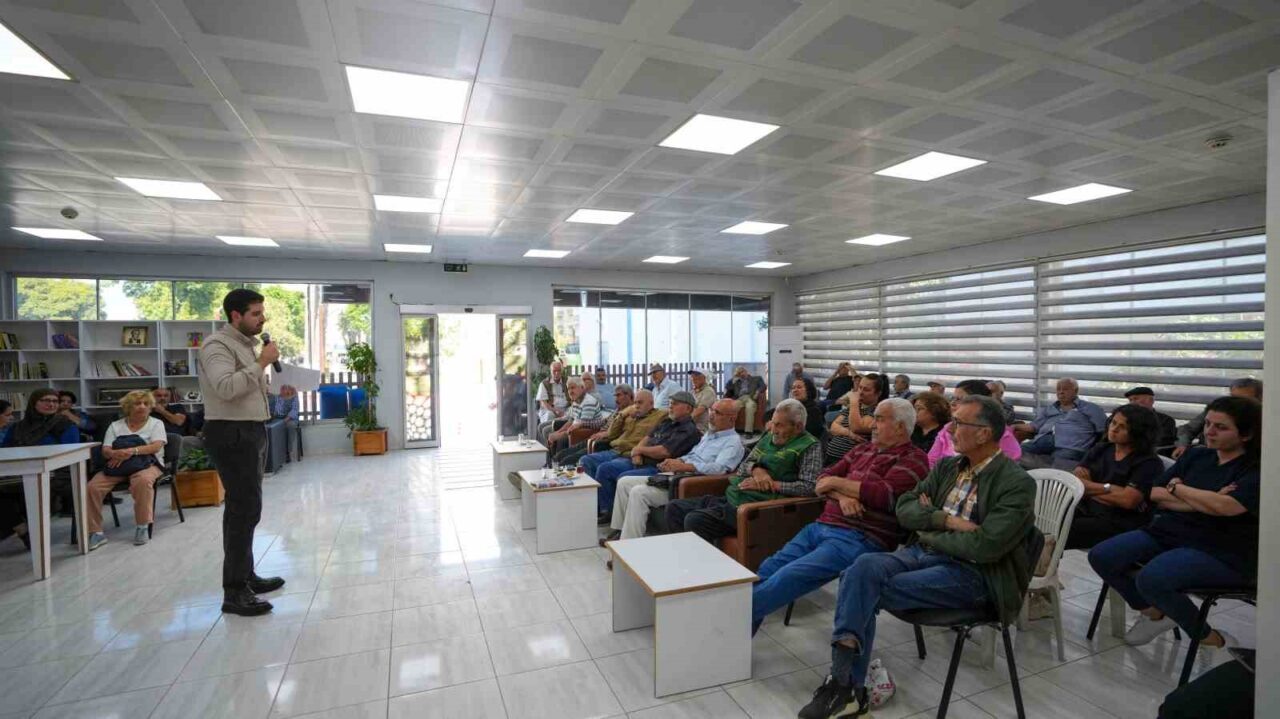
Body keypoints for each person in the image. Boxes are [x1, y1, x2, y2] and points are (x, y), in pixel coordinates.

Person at [799, 395, 1038, 719]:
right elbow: (906, 508)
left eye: (959, 424)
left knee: (860, 587)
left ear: (983, 433)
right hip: (923, 552)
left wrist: (927, 523)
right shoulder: (948, 467)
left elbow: (986, 546)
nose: (950, 430)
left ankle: (844, 686)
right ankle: (847, 688)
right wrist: (944, 521)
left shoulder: (1016, 483)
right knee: (861, 569)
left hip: (975, 575)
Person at [1089, 395, 1260, 650]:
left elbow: (1228, 508)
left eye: (1221, 427)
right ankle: (1155, 614)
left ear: (1245, 435)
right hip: (1170, 531)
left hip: (1221, 547)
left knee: (1153, 578)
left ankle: (1212, 640)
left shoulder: (1256, 468)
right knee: (1102, 555)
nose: (1209, 432)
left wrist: (1179, 488)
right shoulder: (1198, 456)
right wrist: (1206, 499)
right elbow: (1155, 493)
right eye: (1208, 424)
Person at [750, 398, 928, 632]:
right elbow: (820, 480)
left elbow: (885, 495)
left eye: (879, 419)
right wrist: (843, 496)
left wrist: (835, 482)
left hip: (861, 537)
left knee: (788, 577)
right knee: (767, 569)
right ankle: (732, 647)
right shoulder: (863, 449)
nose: (872, 425)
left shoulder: (914, 459)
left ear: (900, 427)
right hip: (821, 526)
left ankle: (721, 621)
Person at [197, 289, 285, 617]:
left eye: (262, 313)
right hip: (230, 432)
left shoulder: (246, 345)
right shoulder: (216, 346)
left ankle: (246, 576)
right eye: (255, 313)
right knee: (241, 511)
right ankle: (234, 592)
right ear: (235, 315)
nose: (262, 319)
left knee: (249, 509)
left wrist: (273, 379)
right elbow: (226, 387)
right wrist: (262, 362)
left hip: (251, 429)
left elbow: (250, 387)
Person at [666, 398, 821, 545]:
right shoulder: (769, 437)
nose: (773, 430)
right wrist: (757, 470)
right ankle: (684, 562)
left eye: (780, 425)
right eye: (773, 423)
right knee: (674, 508)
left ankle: (706, 571)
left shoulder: (809, 446)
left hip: (759, 507)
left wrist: (772, 484)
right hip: (734, 496)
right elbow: (743, 467)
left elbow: (809, 487)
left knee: (695, 520)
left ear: (798, 427)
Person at [606, 398, 743, 542]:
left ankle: (629, 544)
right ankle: (619, 531)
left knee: (639, 493)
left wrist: (686, 466)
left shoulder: (733, 442)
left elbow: (720, 469)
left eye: (717, 412)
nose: (711, 415)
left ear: (731, 418)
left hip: (691, 482)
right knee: (624, 482)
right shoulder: (710, 435)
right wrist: (677, 461)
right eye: (711, 410)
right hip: (678, 474)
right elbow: (692, 454)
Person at [592, 391, 701, 524]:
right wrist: (637, 452)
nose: (670, 407)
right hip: (641, 459)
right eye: (670, 403)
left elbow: (664, 452)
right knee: (605, 469)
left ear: (688, 409)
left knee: (624, 478)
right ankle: (607, 512)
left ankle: (622, 526)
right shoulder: (667, 421)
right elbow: (647, 437)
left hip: (657, 467)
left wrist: (638, 450)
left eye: (675, 404)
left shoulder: (688, 429)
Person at [1065, 404, 1164, 550]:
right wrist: (1109, 488)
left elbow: (1127, 501)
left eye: (1122, 427)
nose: (1114, 429)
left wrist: (1088, 487)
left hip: (1120, 522)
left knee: (1065, 529)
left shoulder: (1149, 462)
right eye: (1113, 422)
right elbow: (1075, 482)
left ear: (1138, 432)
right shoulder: (1101, 449)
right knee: (1048, 515)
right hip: (1087, 510)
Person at [84, 390, 166, 550]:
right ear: (128, 407)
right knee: (93, 487)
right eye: (137, 403)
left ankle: (142, 526)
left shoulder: (156, 423)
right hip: (117, 465)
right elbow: (105, 449)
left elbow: (156, 446)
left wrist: (130, 451)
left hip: (148, 463)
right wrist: (114, 453)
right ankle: (95, 532)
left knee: (142, 481)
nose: (142, 406)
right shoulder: (115, 426)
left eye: (146, 404)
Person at [0, 390, 81, 547]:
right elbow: (5, 452)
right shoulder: (17, 427)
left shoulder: (65, 425)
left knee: (35, 486)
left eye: (54, 401)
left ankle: (33, 533)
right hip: (18, 472)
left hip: (55, 473)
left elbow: (72, 455)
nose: (51, 404)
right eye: (45, 400)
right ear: (33, 403)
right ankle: (22, 529)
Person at [579, 389, 664, 514]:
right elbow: (612, 434)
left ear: (651, 404)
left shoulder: (660, 416)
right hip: (615, 451)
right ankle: (593, 504)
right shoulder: (630, 415)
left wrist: (639, 451)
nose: (636, 406)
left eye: (640, 403)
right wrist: (624, 414)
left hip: (629, 455)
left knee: (605, 469)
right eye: (635, 402)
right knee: (585, 460)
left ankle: (606, 510)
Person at [1013, 377, 1107, 470]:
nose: (1061, 392)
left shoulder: (1091, 408)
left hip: (1070, 446)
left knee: (1056, 468)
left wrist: (1095, 452)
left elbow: (1104, 430)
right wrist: (1013, 426)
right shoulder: (1050, 408)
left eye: (1065, 389)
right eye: (1058, 389)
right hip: (1042, 441)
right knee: (1013, 452)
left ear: (1076, 391)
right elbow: (1033, 426)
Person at [927, 379, 1022, 467]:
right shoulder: (948, 428)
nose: (952, 403)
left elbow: (1003, 472)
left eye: (959, 399)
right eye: (953, 398)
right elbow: (931, 461)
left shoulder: (1001, 435)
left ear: (979, 402)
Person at [1173, 378, 1263, 458]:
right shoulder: (1216, 411)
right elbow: (1187, 429)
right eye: (1233, 398)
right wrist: (1183, 445)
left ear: (1260, 399)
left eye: (1243, 400)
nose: (1236, 403)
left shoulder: (1263, 419)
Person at [553, 385, 633, 466]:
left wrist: (606, 433)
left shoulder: (631, 413)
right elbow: (601, 422)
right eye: (615, 396)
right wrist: (582, 423)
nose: (616, 399)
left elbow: (623, 432)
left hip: (604, 442)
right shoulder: (618, 409)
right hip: (596, 436)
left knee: (567, 460)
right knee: (561, 454)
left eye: (619, 395)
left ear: (629, 395)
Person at [823, 373, 887, 465]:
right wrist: (850, 434)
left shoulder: (877, 411)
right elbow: (833, 426)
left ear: (878, 393)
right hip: (830, 457)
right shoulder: (855, 407)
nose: (860, 392)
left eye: (866, 389)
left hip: (853, 463)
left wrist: (853, 402)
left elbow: (856, 427)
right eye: (860, 387)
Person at [545, 377, 604, 463]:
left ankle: (557, 465)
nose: (570, 391)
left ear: (582, 388)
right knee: (553, 436)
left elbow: (582, 425)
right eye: (568, 389)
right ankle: (552, 463)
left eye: (573, 388)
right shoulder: (576, 401)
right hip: (575, 430)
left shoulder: (588, 402)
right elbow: (571, 420)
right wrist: (557, 433)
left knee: (561, 440)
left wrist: (559, 435)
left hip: (586, 433)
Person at [724, 366, 765, 433]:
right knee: (731, 408)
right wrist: (732, 380)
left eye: (742, 371)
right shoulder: (736, 381)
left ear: (746, 371)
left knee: (750, 408)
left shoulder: (757, 378)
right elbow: (728, 389)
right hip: (740, 399)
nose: (741, 374)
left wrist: (757, 391)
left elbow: (763, 386)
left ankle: (748, 431)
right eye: (739, 373)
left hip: (750, 398)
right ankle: (729, 430)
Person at [535, 360, 568, 425]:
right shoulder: (544, 384)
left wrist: (565, 412)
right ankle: (549, 433)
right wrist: (555, 411)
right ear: (550, 371)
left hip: (566, 409)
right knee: (550, 415)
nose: (557, 373)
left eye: (559, 370)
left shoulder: (568, 381)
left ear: (562, 371)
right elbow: (544, 404)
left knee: (572, 414)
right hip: (549, 409)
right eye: (554, 371)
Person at [688, 368, 717, 432]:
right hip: (692, 424)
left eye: (697, 377)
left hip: (702, 427)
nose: (693, 379)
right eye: (692, 377)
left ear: (704, 378)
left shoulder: (708, 391)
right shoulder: (692, 392)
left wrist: (685, 420)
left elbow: (700, 410)